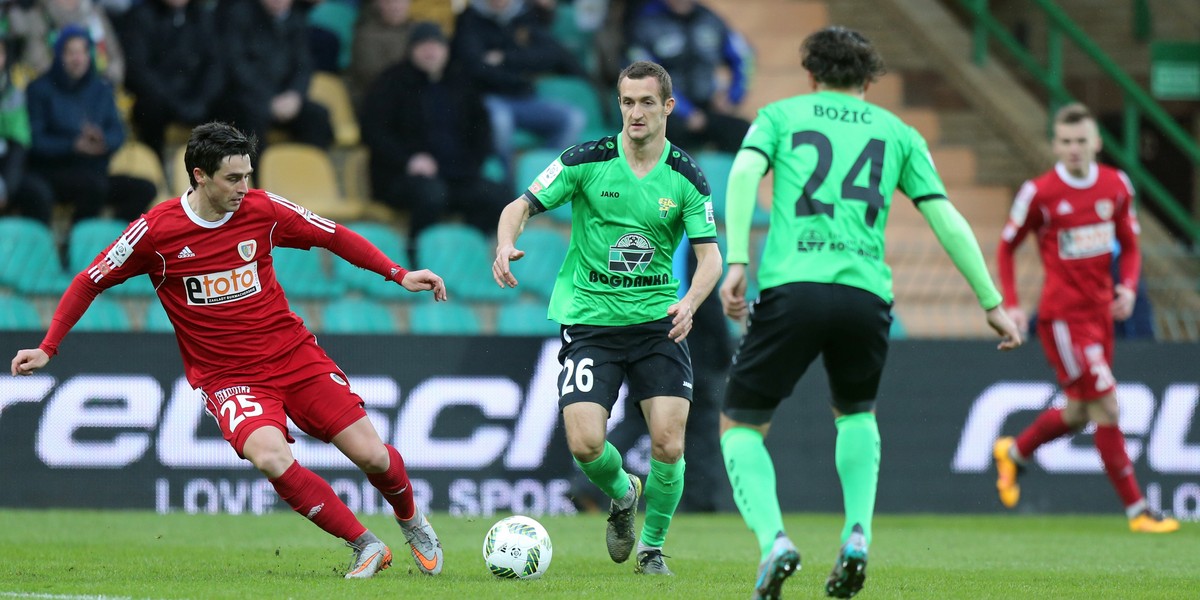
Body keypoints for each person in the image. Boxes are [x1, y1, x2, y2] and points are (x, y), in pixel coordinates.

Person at [10, 122, 449, 579]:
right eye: (233, 178)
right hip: (229, 378)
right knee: (270, 456)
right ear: (200, 175)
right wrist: (48, 348)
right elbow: (89, 280)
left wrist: (397, 274)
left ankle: (411, 521)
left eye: (248, 175)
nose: (245, 187)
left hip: (293, 355)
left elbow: (331, 235)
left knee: (374, 456)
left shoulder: (263, 209)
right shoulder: (156, 232)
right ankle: (365, 545)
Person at [716, 26, 1023, 600]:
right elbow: (946, 218)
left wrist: (736, 259)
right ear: (868, 79)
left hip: (794, 289)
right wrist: (992, 302)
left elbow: (740, 174)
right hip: (865, 297)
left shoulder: (781, 116)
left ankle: (774, 542)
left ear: (811, 74)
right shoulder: (899, 132)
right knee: (855, 415)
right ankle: (857, 535)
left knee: (740, 426)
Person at [493, 60, 723, 576]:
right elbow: (521, 204)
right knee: (586, 444)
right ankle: (623, 496)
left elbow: (711, 258)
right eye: (626, 102)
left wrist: (689, 303)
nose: (635, 112)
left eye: (646, 102)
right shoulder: (586, 160)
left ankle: (653, 548)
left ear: (667, 107)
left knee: (668, 440)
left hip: (657, 323)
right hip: (591, 321)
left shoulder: (685, 176)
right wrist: (507, 243)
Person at [992, 102, 1179, 534]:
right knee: (1107, 403)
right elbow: (1006, 246)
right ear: (1055, 145)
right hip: (1061, 319)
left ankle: (1015, 453)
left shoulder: (1116, 186)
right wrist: (1013, 303)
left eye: (1081, 141)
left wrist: (1128, 287)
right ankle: (1137, 511)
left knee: (1079, 411)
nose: (1074, 149)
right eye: (1065, 142)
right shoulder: (1038, 193)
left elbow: (1131, 246)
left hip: (1101, 316)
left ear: (1096, 142)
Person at [359, 21, 509, 249]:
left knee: (499, 196)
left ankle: (465, 249)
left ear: (446, 50)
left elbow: (481, 128)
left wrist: (473, 163)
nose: (431, 51)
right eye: (423, 45)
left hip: (456, 175)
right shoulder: (390, 82)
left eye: (436, 45)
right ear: (411, 50)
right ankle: (416, 256)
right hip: (401, 176)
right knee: (431, 194)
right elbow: (373, 131)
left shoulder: (460, 81)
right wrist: (409, 160)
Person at [25, 25, 156, 224]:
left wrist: (103, 140)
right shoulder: (39, 89)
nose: (77, 59)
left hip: (94, 170)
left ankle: (118, 242)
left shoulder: (101, 88)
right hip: (55, 173)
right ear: (59, 55)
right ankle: (78, 245)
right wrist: (73, 144)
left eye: (83, 52)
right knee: (93, 187)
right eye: (71, 52)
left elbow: (118, 133)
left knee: (145, 189)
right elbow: (35, 141)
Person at [453, 0, 587, 181]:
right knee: (500, 121)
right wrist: (521, 72)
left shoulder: (525, 15)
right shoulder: (470, 19)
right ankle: (509, 187)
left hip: (525, 98)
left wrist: (505, 58)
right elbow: (475, 67)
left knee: (573, 118)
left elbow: (550, 54)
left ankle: (541, 180)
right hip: (489, 97)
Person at [626, 0, 752, 154]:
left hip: (708, 108)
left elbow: (743, 57)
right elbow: (646, 77)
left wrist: (733, 96)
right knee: (663, 133)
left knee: (746, 133)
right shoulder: (646, 24)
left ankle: (721, 176)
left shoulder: (711, 19)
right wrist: (686, 112)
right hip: (667, 112)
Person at [211, 0, 333, 152]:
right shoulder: (239, 15)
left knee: (317, 116)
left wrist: (295, 95)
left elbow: (304, 65)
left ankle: (309, 172)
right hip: (248, 98)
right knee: (249, 117)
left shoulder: (296, 18)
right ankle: (257, 174)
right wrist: (269, 99)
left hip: (285, 98)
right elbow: (236, 66)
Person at [121, 0, 224, 160]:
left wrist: (201, 101)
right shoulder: (141, 16)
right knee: (149, 108)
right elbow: (138, 71)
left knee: (231, 104)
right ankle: (156, 173)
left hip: (195, 97)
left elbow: (215, 65)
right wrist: (174, 103)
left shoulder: (202, 15)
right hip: (160, 99)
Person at [0, 36, 54, 224]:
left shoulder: (13, 94)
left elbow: (19, 145)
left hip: (5, 170)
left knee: (39, 194)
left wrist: (4, 187)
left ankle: (40, 251)